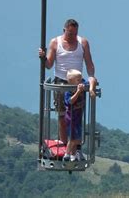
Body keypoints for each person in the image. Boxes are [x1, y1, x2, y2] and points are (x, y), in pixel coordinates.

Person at [38, 19, 97, 159]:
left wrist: (91, 77)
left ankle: (76, 149)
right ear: (64, 30)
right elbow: (49, 65)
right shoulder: (55, 42)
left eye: (75, 33)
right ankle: (66, 146)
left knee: (76, 116)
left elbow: (89, 63)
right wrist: (43, 58)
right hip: (61, 82)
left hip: (77, 83)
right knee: (62, 115)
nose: (72, 36)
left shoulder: (82, 43)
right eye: (70, 33)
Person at [63, 69, 87, 162]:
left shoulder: (81, 84)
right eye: (78, 80)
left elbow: (88, 82)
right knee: (73, 138)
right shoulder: (68, 91)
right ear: (71, 82)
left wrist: (91, 82)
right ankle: (67, 154)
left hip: (78, 118)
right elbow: (70, 101)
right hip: (71, 118)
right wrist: (78, 92)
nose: (81, 81)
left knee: (78, 138)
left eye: (81, 79)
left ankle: (74, 154)